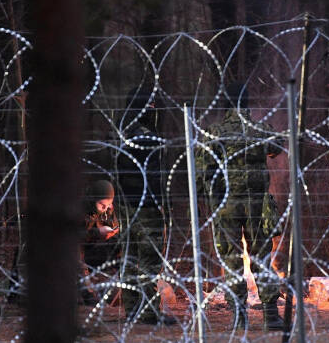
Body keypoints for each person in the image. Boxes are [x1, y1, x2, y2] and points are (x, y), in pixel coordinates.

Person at [198, 83, 284, 330]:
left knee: (231, 260)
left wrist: (206, 199)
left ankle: (239, 316)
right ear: (246, 103)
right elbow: (276, 148)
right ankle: (270, 316)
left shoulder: (215, 132)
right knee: (262, 258)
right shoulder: (260, 129)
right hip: (257, 204)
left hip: (226, 205)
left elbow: (202, 169)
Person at [114, 85, 177, 325]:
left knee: (130, 258)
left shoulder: (121, 131)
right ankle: (149, 312)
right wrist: (161, 202)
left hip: (125, 205)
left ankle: (132, 310)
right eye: (149, 106)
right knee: (149, 260)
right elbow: (154, 175)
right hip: (145, 204)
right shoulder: (145, 136)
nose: (153, 111)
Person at [80, 179, 120, 305]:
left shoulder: (106, 210)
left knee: (119, 244)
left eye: (109, 205)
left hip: (91, 252)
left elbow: (113, 227)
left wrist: (112, 230)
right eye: (102, 206)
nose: (106, 209)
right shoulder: (77, 209)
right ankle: (88, 294)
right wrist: (97, 233)